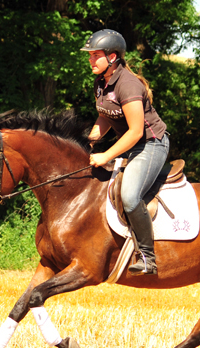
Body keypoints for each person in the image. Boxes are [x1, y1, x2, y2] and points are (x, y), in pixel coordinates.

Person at [81, 29, 170, 276]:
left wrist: (105, 155)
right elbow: (105, 115)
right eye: (89, 55)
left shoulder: (128, 84)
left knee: (130, 197)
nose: (90, 60)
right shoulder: (101, 81)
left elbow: (134, 132)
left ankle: (147, 257)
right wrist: (88, 142)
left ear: (112, 57)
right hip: (132, 144)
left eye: (94, 55)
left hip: (151, 144)